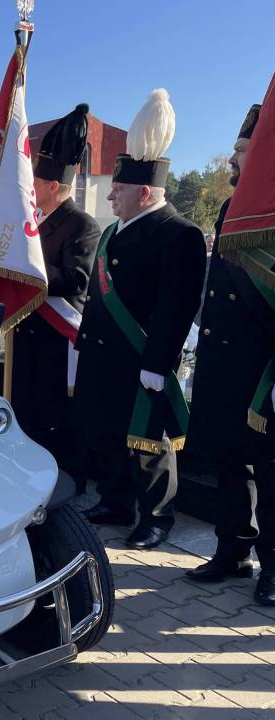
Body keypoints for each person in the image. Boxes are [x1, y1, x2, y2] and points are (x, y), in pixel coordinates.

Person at [74, 90, 206, 550]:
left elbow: (177, 305)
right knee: (109, 431)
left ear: (144, 192)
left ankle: (156, 517)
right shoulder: (114, 230)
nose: (111, 194)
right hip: (105, 354)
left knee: (150, 442)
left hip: (142, 357)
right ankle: (115, 501)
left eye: (118, 188)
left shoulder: (179, 234)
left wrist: (158, 362)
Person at [185, 103, 275, 604]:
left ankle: (273, 566)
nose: (233, 160)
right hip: (223, 360)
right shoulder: (230, 209)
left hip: (261, 366)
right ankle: (231, 550)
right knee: (228, 462)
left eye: (243, 150)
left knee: (270, 470)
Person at [12, 104, 101, 480]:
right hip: (28, 331)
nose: (29, 189)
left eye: (34, 182)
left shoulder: (82, 225)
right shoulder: (33, 221)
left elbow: (76, 280)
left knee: (54, 415)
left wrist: (26, 268)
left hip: (57, 337)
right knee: (26, 409)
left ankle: (65, 479)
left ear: (52, 186)